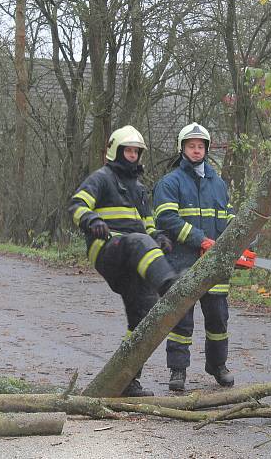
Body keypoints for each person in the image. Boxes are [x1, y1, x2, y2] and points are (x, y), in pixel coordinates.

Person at [67, 125, 175, 397]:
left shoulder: (139, 189)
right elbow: (77, 205)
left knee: (145, 317)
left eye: (136, 151)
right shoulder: (101, 178)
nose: (132, 155)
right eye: (127, 150)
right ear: (116, 151)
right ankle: (170, 286)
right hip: (107, 248)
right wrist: (92, 220)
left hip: (134, 259)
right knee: (137, 241)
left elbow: (148, 225)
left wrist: (159, 237)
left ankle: (126, 378)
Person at [153, 122, 235, 391]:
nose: (197, 150)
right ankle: (178, 371)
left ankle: (218, 366)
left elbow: (231, 220)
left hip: (214, 268)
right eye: (191, 146)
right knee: (181, 320)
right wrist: (201, 239)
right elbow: (166, 218)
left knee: (218, 321)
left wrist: (242, 242)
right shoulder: (170, 182)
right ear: (183, 148)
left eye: (201, 146)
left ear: (207, 149)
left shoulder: (219, 184)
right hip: (182, 264)